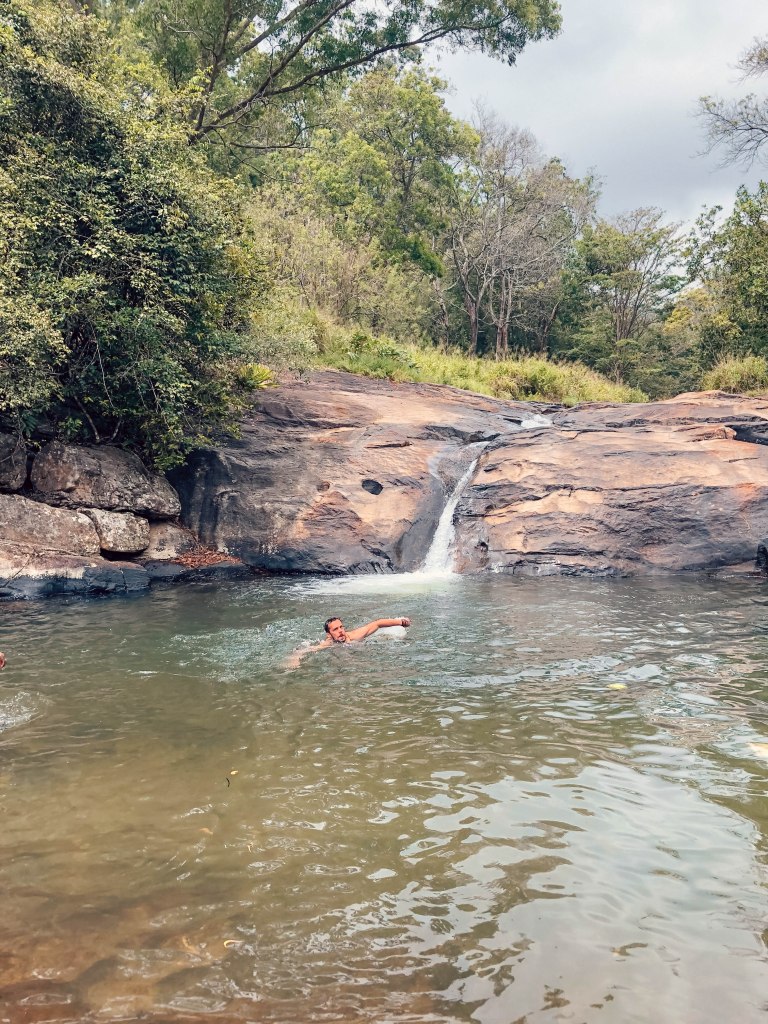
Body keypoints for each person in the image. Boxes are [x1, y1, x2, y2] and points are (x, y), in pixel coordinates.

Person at [285, 615, 411, 668]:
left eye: (341, 627)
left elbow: (377, 624)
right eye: (335, 629)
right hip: (343, 656)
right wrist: (294, 660)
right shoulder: (328, 644)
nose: (340, 631)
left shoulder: (354, 636)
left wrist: (400, 622)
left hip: (361, 646)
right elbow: (305, 649)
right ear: (329, 634)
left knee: (387, 638)